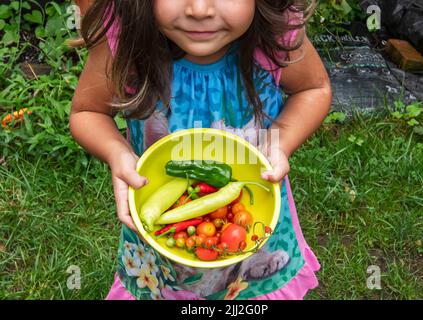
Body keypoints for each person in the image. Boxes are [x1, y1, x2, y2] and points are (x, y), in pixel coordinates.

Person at [69, 0, 331, 300]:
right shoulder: (128, 41)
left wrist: (279, 144)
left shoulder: (272, 36)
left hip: (252, 220)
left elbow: (314, 89)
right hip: (162, 231)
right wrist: (118, 152)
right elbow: (87, 112)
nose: (199, 9)